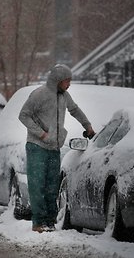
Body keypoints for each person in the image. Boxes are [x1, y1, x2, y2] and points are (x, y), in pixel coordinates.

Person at [18, 64, 95, 233]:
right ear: (58, 80)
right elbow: (23, 115)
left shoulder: (64, 96)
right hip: (37, 146)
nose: (69, 84)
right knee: (37, 185)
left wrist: (87, 125)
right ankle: (38, 222)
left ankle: (50, 222)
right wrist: (41, 134)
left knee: (53, 186)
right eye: (67, 81)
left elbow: (74, 110)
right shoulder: (40, 94)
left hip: (54, 147)